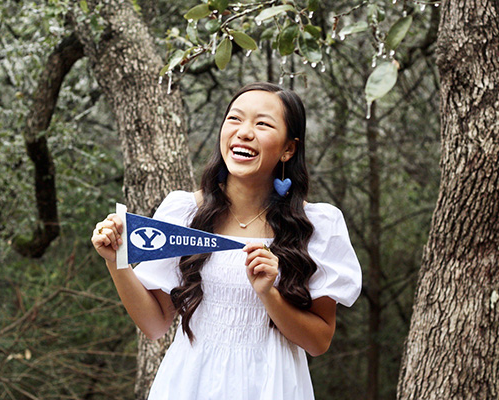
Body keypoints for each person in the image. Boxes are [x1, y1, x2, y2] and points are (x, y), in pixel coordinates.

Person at [91, 82, 362, 400]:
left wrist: (269, 295)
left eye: (262, 124)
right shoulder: (184, 212)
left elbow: (319, 342)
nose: (244, 132)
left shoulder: (318, 225)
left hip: (272, 386)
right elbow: (155, 324)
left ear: (289, 148)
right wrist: (116, 261)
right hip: (190, 383)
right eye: (235, 119)